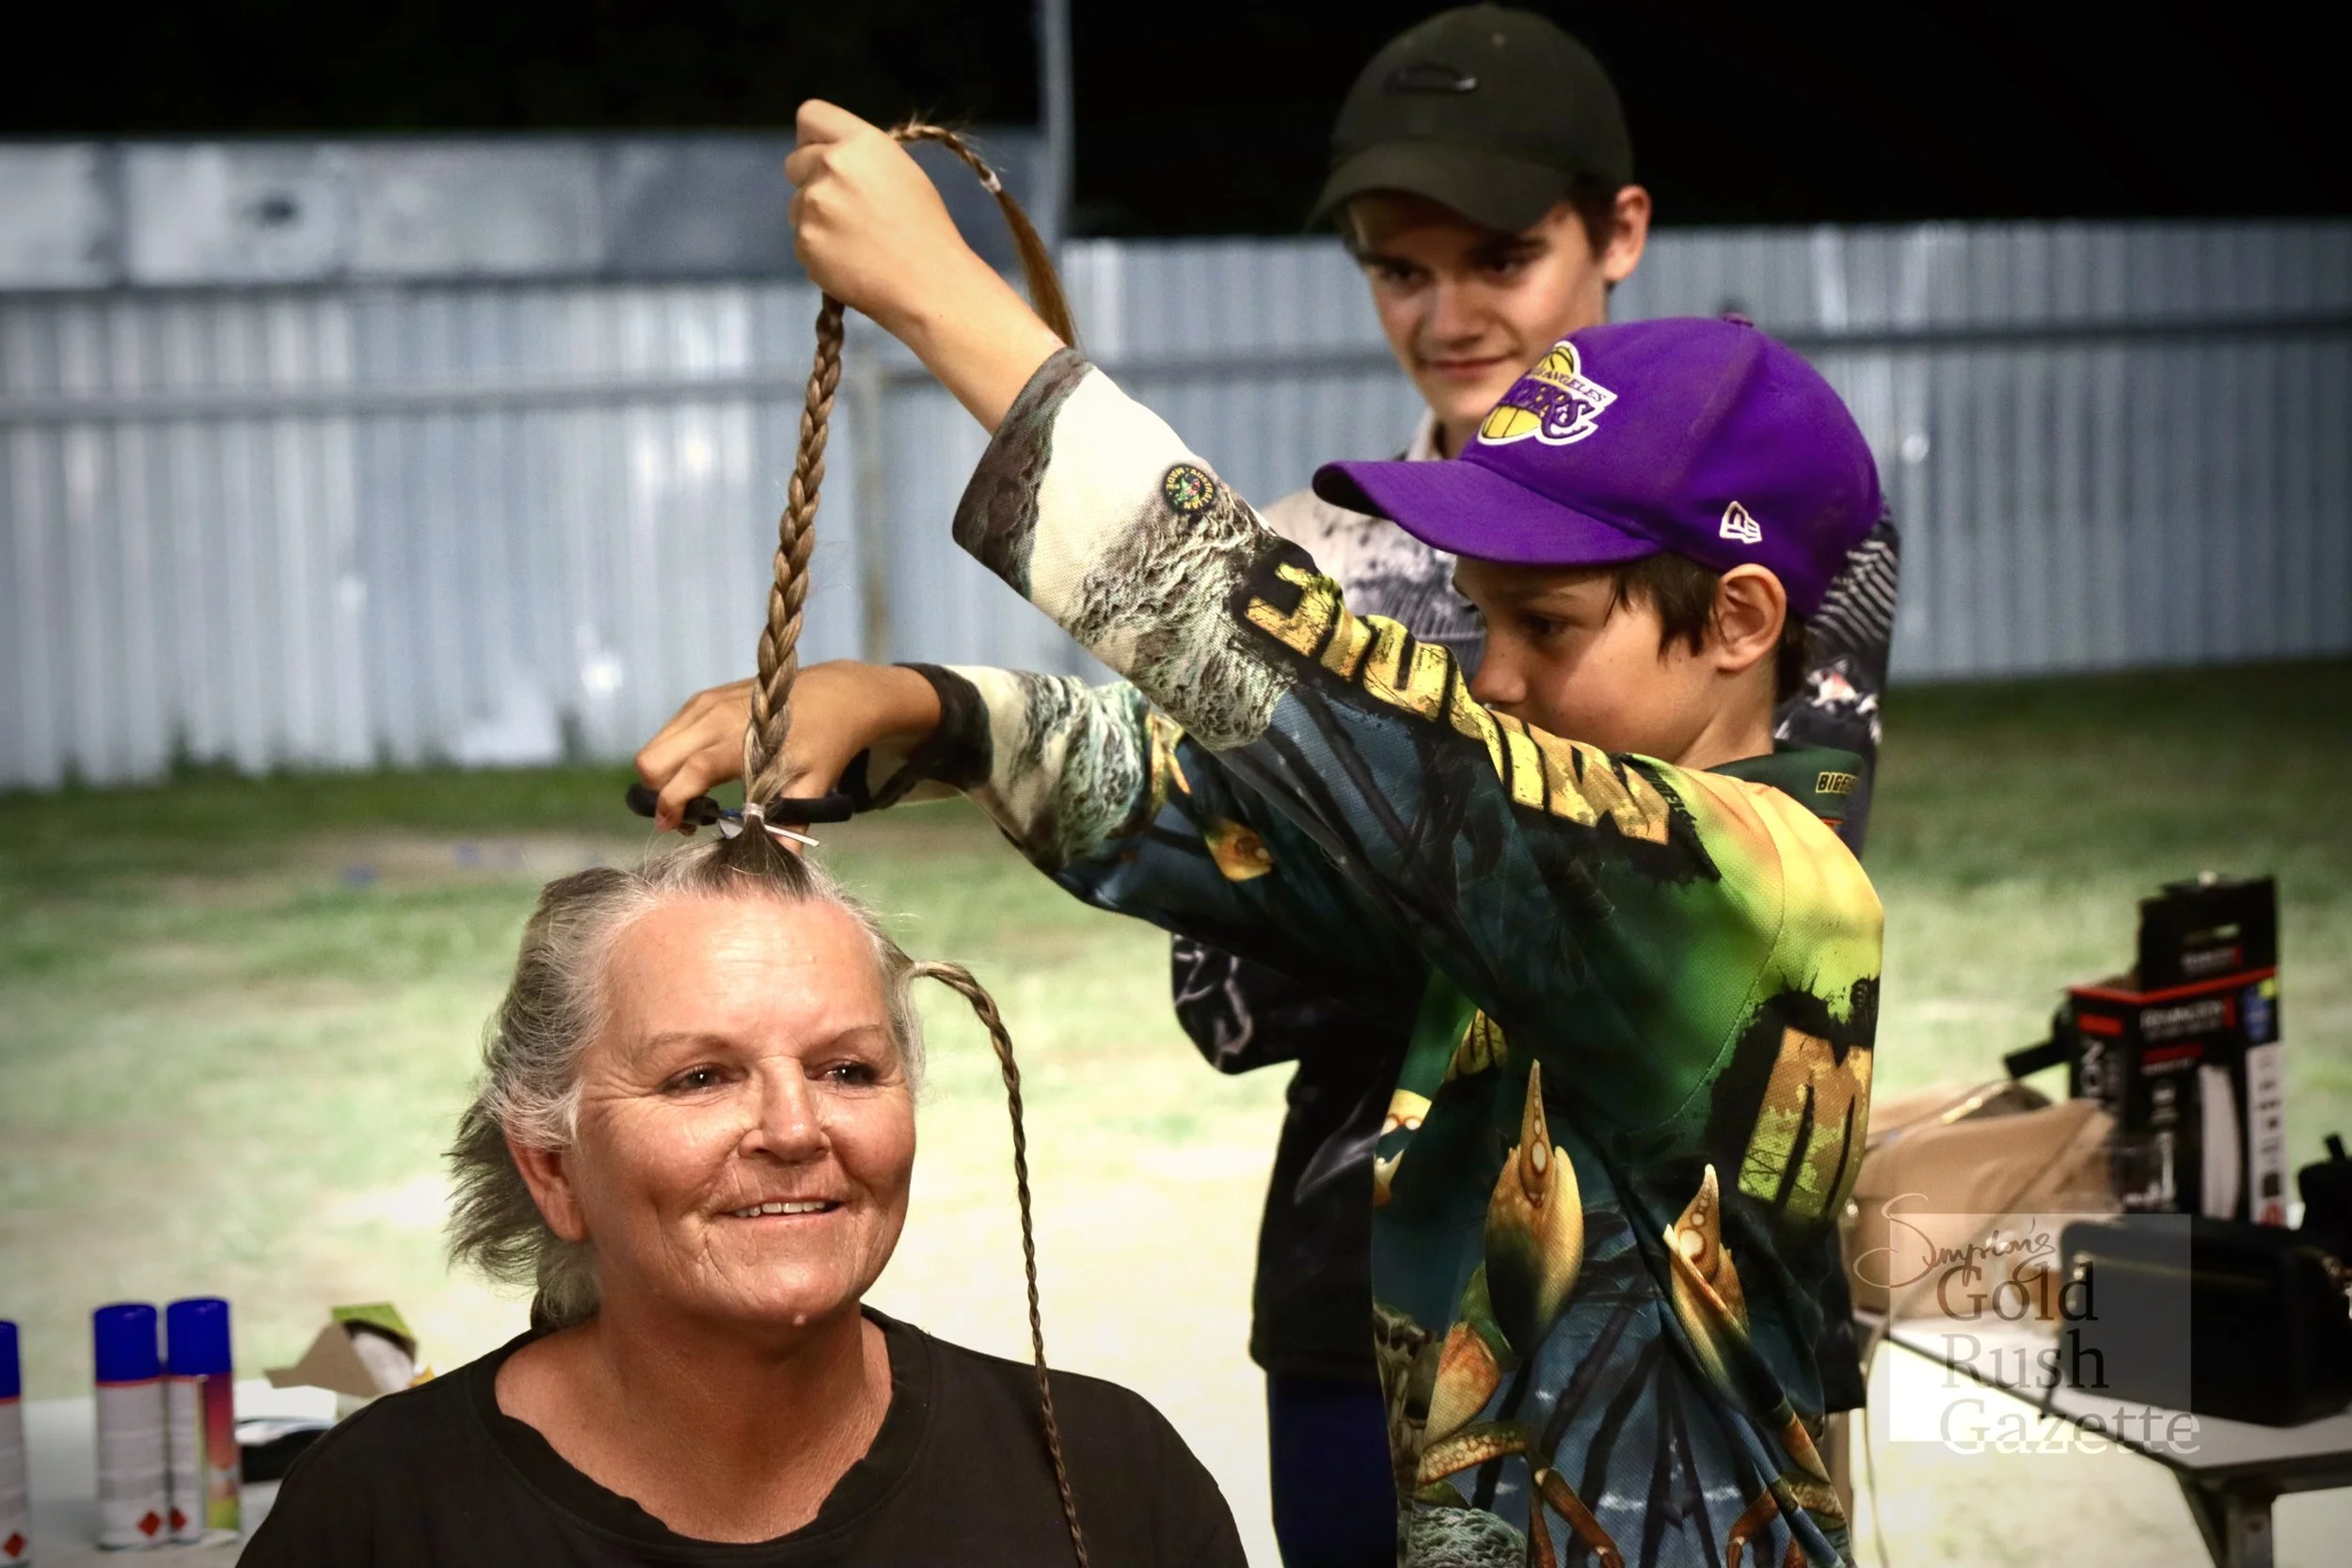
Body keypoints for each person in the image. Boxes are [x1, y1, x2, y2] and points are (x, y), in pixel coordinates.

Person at [643, 101, 1883, 1565]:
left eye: (1544, 626)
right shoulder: (1524, 882)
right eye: (1480, 618)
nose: (1492, 674)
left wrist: (944, 299)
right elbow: (1239, 813)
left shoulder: (1748, 885)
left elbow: (1334, 702)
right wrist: (924, 711)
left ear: (1740, 621)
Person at [1157, 10, 1895, 1560]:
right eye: (1397, 268)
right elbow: (1217, 996)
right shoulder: (1307, 552)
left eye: (1499, 256)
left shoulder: (1776, 516)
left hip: (1669, 1288)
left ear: (1619, 230)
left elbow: (1747, 880)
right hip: (1354, 1270)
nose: (1448, 313)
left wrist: (1347, 802)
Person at [243, 834, 1248, 1566]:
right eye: (699, 1077)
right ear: (551, 1166)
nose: (795, 1127)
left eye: (849, 1069)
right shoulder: (377, 1517)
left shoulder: (1112, 1475)